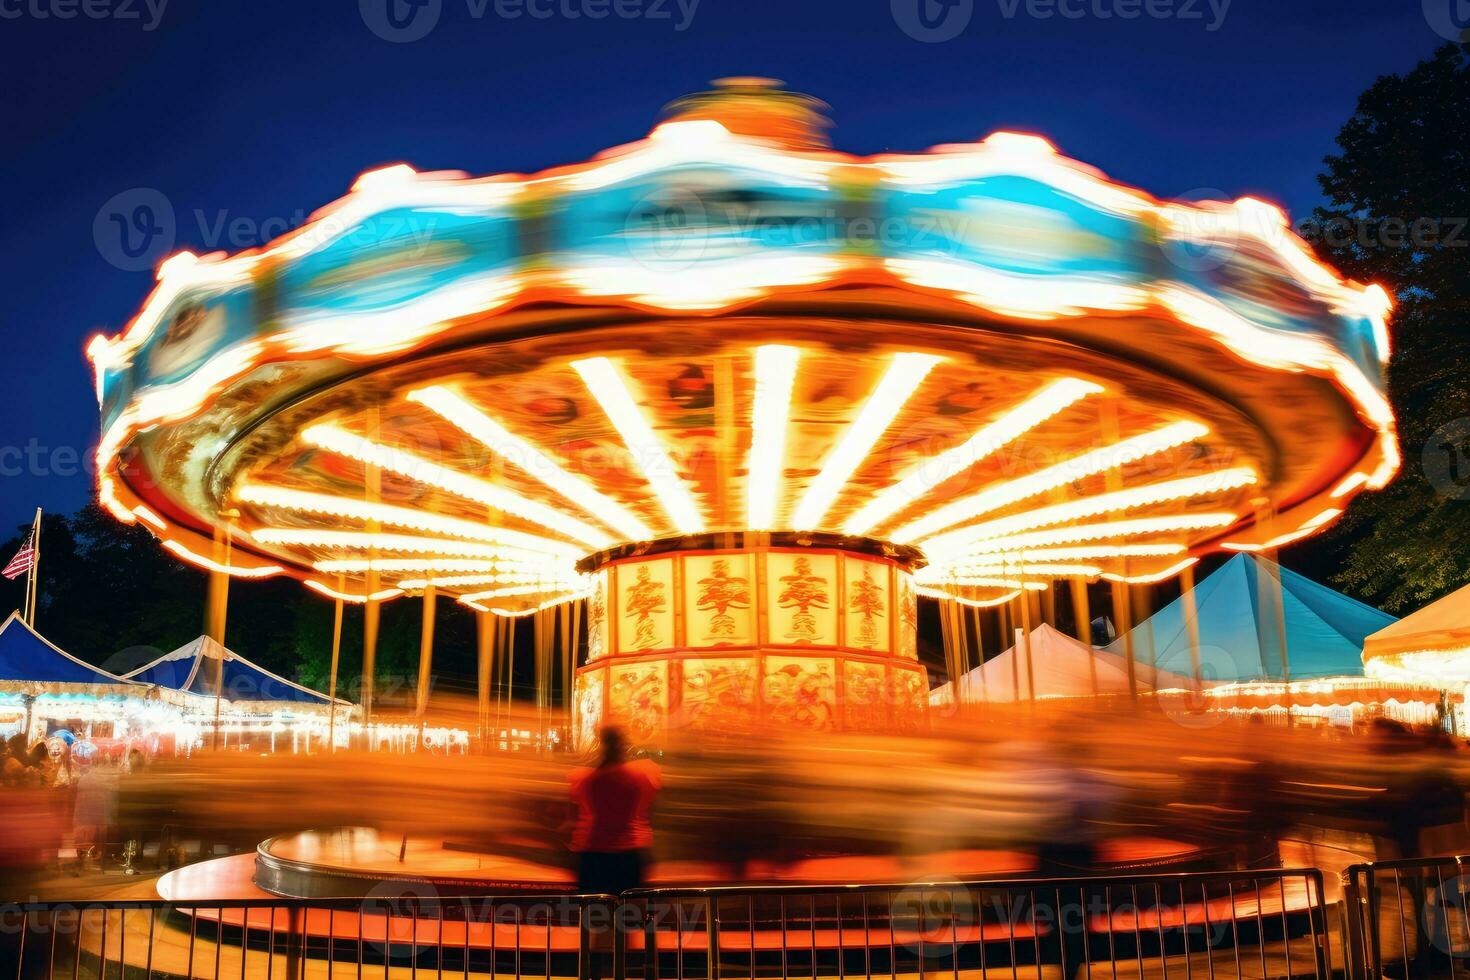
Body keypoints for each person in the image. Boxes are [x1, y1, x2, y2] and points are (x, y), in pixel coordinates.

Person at [568, 727, 661, 894]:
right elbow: (649, 805)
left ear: (601, 746)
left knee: (595, 910)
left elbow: (578, 811)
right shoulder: (640, 775)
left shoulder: (586, 779)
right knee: (629, 910)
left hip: (594, 852)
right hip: (630, 852)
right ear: (623, 746)